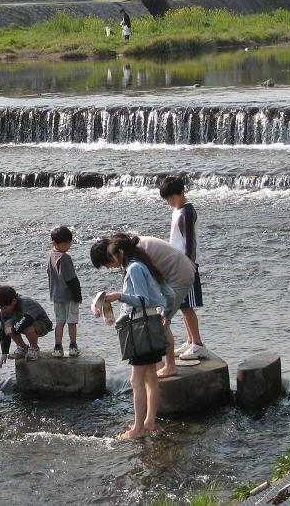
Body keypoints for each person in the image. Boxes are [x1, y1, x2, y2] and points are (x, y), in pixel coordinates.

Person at [92, 235, 170, 440]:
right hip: (152, 324)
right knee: (151, 376)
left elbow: (142, 300)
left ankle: (138, 428)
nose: (113, 262)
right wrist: (164, 312)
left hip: (140, 329)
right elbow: (167, 293)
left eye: (112, 256)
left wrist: (119, 296)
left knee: (136, 380)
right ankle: (150, 422)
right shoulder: (144, 264)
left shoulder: (134, 268)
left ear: (119, 253)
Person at [93, 232, 193, 379]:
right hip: (175, 272)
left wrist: (120, 296)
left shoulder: (135, 261)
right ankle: (159, 364)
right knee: (159, 318)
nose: (109, 268)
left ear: (111, 255)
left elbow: (145, 296)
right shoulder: (129, 251)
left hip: (178, 274)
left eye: (106, 265)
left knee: (161, 323)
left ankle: (170, 366)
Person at [159, 176, 208, 361]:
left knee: (187, 307)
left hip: (186, 266)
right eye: (167, 200)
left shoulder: (187, 211)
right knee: (182, 305)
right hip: (178, 265)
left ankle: (198, 344)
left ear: (182, 192)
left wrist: (188, 264)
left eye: (172, 198)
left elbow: (189, 242)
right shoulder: (178, 210)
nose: (170, 202)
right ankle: (190, 341)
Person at [0, 285, 52, 365]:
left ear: (13, 301)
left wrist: (13, 330)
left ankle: (34, 348)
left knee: (26, 327)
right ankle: (22, 347)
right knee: (7, 325)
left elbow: (27, 320)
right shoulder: (4, 311)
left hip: (42, 324)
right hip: (22, 324)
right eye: (0, 308)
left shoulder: (26, 302)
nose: (2, 311)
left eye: (4, 308)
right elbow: (3, 332)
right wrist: (4, 353)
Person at [48, 225, 82, 358]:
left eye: (69, 243)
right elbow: (71, 279)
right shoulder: (64, 257)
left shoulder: (50, 255)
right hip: (69, 295)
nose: (67, 247)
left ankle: (58, 347)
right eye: (65, 244)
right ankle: (73, 346)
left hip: (56, 295)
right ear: (55, 243)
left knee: (60, 321)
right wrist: (77, 295)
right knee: (72, 321)